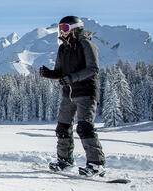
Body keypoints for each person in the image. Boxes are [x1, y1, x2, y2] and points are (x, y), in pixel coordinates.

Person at [39, 16, 106, 177]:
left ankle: (96, 164)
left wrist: (72, 78)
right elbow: (60, 72)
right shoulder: (63, 48)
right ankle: (65, 160)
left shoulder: (87, 44)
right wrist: (50, 74)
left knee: (84, 127)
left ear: (76, 28)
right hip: (68, 94)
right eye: (60, 28)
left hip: (86, 92)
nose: (62, 31)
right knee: (62, 128)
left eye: (66, 28)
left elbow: (93, 69)